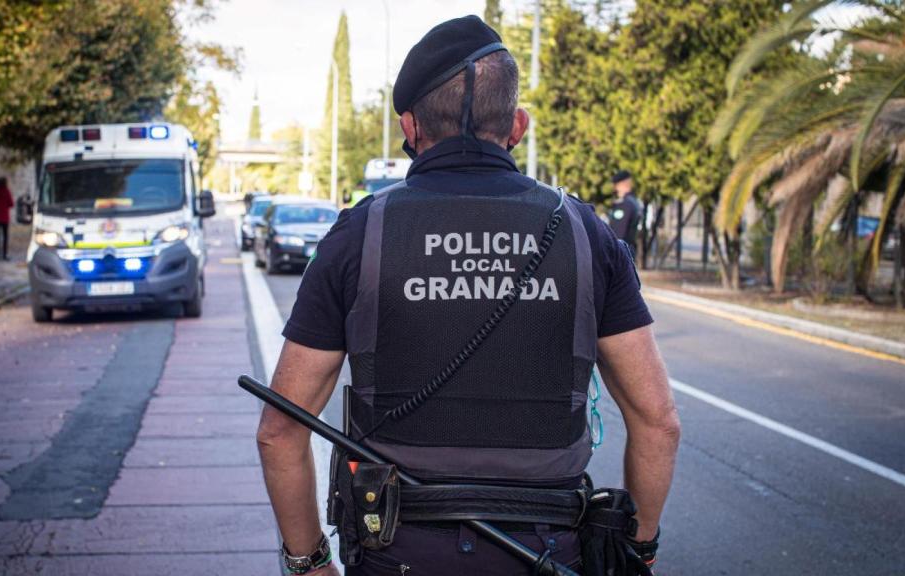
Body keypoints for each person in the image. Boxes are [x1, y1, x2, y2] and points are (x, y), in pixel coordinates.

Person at [256, 16, 679, 576]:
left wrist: (308, 562)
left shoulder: (360, 233)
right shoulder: (584, 232)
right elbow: (658, 422)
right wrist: (638, 551)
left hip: (397, 552)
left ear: (409, 127)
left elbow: (280, 429)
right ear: (518, 126)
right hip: (550, 553)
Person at [608, 170, 643, 256]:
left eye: (616, 185)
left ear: (621, 185)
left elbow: (618, 234)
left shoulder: (624, 204)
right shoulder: (635, 202)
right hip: (629, 251)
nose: (615, 189)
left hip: (621, 254)